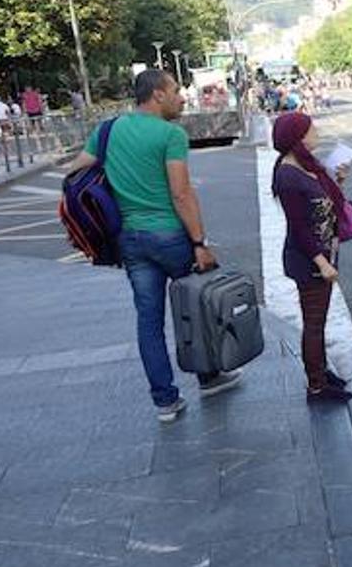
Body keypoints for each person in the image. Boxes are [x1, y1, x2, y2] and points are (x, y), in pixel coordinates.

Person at [67, 69, 240, 422]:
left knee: (149, 321)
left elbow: (76, 170)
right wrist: (199, 242)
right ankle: (209, 376)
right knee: (198, 303)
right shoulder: (170, 134)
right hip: (170, 236)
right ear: (157, 95)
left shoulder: (107, 130)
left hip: (130, 239)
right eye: (175, 91)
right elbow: (180, 192)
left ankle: (165, 401)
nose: (182, 97)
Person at [271, 111, 352, 402]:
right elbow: (299, 228)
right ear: (298, 138)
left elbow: (325, 208)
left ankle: (320, 371)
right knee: (314, 324)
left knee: (319, 320)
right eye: (311, 129)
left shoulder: (306, 166)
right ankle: (316, 386)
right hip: (310, 261)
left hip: (323, 256)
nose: (316, 132)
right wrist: (322, 264)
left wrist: (339, 182)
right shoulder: (288, 176)